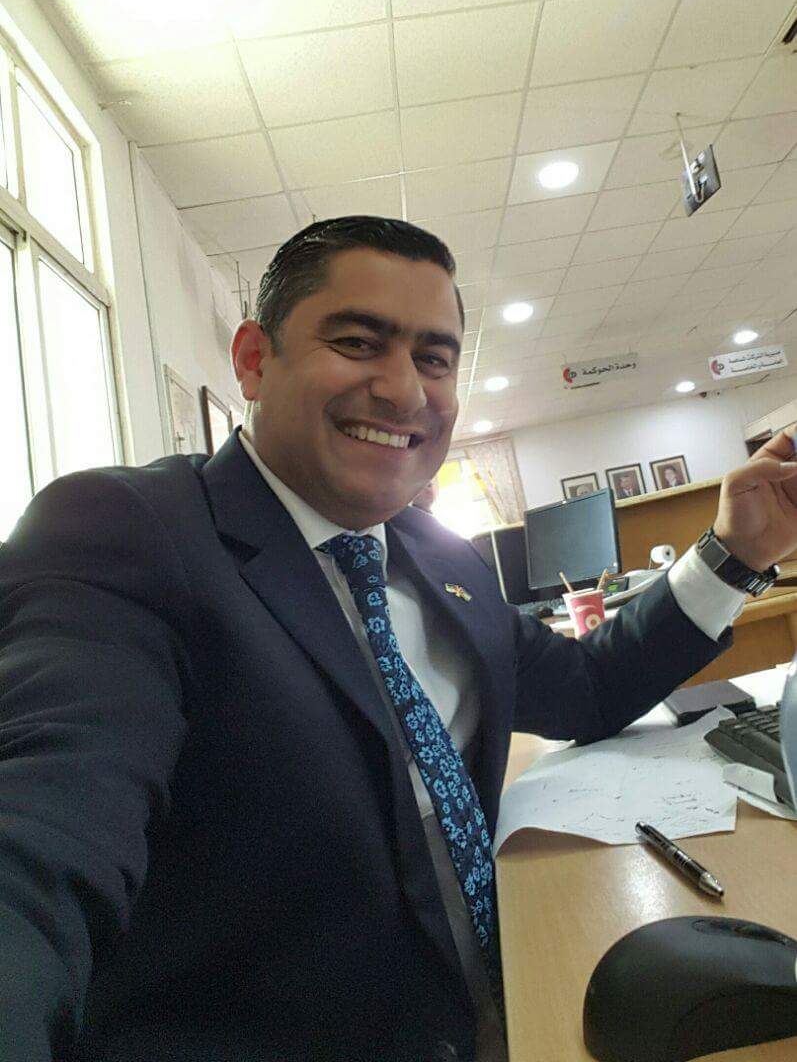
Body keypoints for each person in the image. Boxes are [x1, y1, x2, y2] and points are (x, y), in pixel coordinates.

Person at [1, 216, 797, 1062]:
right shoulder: (129, 530)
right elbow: (45, 827)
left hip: (514, 1001)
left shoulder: (439, 554)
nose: (405, 392)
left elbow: (585, 689)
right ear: (254, 359)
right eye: (356, 342)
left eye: (434, 358)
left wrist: (735, 553)